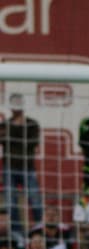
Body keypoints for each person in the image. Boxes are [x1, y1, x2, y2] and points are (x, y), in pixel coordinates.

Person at [0, 94, 42, 228]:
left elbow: (31, 143)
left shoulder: (32, 124)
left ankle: (40, 227)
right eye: (14, 103)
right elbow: (2, 140)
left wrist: (14, 132)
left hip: (27, 167)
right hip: (9, 167)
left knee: (35, 200)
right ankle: (17, 232)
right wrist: (15, 130)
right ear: (10, 106)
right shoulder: (4, 124)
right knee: (11, 202)